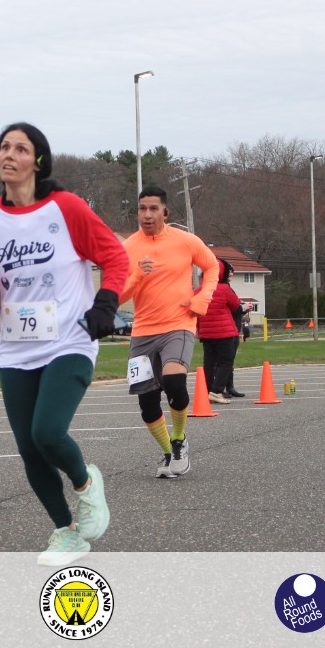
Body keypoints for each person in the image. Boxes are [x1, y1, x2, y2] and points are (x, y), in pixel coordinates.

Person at [0, 123, 129, 566]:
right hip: (16, 347)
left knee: (47, 433)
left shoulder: (66, 207)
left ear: (38, 162)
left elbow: (115, 256)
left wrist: (106, 302)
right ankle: (67, 532)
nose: (9, 154)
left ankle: (86, 483)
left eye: (20, 148)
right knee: (28, 448)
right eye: (3, 147)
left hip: (70, 340)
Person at [120, 186, 218, 479]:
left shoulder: (186, 241)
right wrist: (138, 275)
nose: (147, 215)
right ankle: (167, 451)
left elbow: (212, 266)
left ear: (165, 212)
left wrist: (202, 299)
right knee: (147, 402)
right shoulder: (128, 247)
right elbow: (117, 294)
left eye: (153, 208)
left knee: (175, 381)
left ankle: (179, 440)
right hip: (142, 331)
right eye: (142, 209)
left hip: (179, 324)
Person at [197, 259, 252, 404]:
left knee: (209, 362)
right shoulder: (223, 288)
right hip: (224, 332)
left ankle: (208, 390)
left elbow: (196, 310)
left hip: (206, 333)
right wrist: (245, 307)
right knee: (226, 360)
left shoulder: (199, 290)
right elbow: (236, 306)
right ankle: (217, 391)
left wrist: (198, 329)